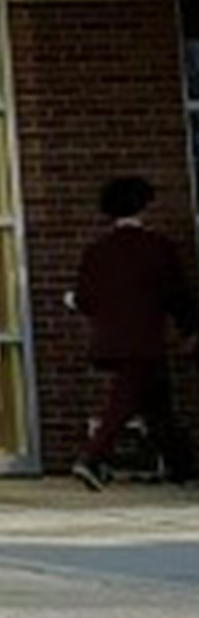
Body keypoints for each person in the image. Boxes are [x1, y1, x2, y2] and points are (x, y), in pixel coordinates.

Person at [71, 175, 198, 488]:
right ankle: (91, 458)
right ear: (145, 206)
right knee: (123, 403)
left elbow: (84, 299)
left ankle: (183, 465)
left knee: (159, 407)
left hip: (108, 340)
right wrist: (190, 329)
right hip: (145, 341)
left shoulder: (96, 251)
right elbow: (176, 294)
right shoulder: (158, 248)